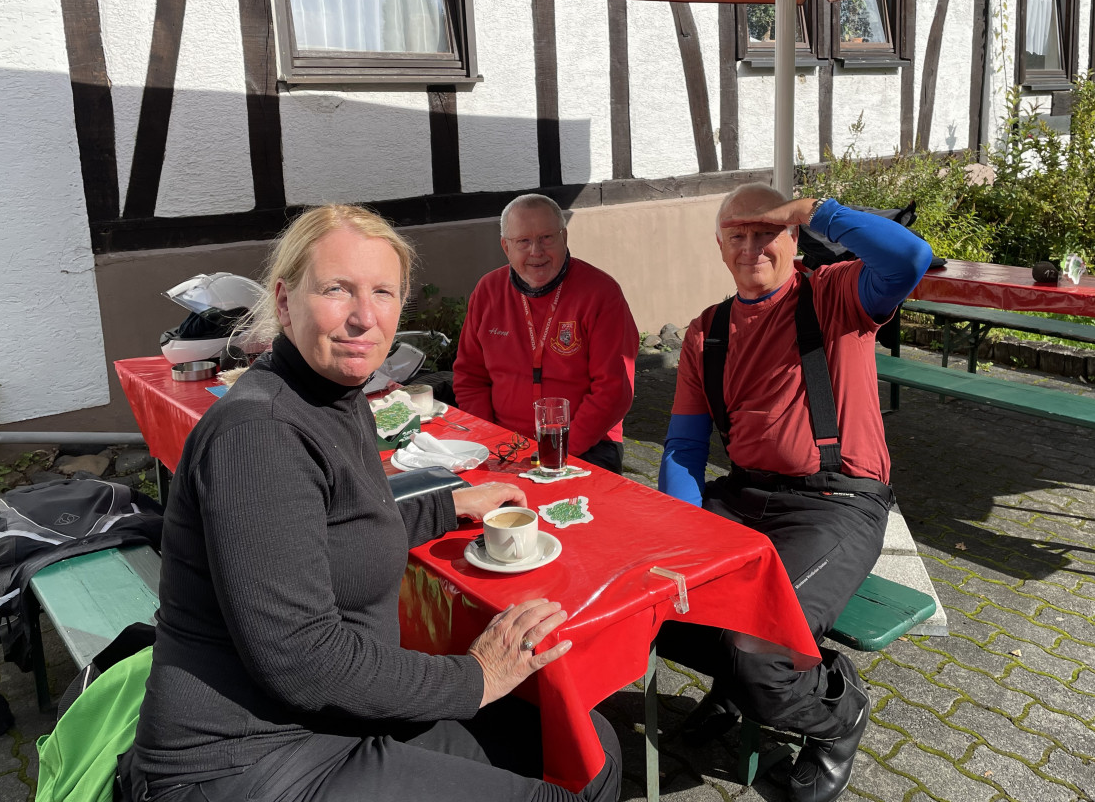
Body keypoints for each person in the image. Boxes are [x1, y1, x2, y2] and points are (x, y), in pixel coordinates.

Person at [127, 204, 621, 802]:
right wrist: (475, 678)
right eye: (337, 289)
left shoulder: (335, 396)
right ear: (284, 301)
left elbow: (342, 526)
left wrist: (448, 506)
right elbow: (302, 659)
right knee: (561, 790)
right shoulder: (258, 434)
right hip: (247, 759)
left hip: (336, 718)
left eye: (383, 292)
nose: (364, 317)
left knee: (588, 748)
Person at [656, 183, 932, 802]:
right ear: (719, 246)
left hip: (836, 503)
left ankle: (838, 712)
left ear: (792, 238)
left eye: (767, 231)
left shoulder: (835, 294)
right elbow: (684, 449)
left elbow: (910, 258)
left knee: (760, 652)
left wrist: (812, 211)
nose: (751, 246)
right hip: (745, 495)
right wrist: (681, 535)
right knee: (646, 603)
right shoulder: (707, 332)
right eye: (738, 234)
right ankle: (738, 687)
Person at [454, 194, 638, 474]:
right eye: (523, 241)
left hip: (586, 443)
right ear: (506, 246)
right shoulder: (488, 291)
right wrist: (489, 439)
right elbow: (470, 377)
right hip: (504, 441)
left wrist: (557, 452)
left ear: (564, 237)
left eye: (547, 238)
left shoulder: (601, 293)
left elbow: (613, 390)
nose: (536, 251)